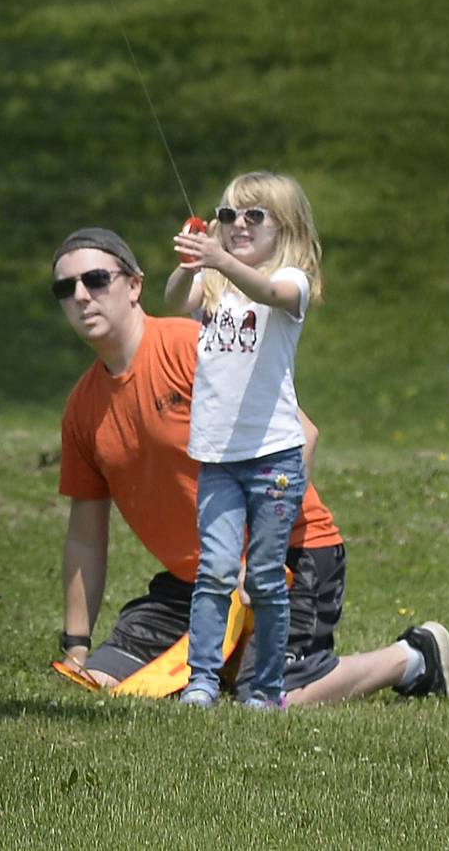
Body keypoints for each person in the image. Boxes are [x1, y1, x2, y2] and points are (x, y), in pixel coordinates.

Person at [52, 224, 449, 705]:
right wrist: (76, 645)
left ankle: (413, 657)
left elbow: (302, 432)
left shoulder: (189, 347)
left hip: (291, 554)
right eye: (65, 288)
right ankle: (225, 657)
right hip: (197, 581)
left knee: (270, 699)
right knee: (102, 682)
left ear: (134, 285)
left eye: (96, 279)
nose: (81, 295)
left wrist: (261, 554)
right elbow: (85, 534)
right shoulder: (82, 409)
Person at [165, 172, 320, 710]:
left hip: (273, 456)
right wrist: (193, 261)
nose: (237, 226)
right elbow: (172, 300)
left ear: (287, 227)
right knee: (214, 570)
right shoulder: (215, 282)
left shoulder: (291, 280)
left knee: (266, 580)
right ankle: (202, 680)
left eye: (255, 216)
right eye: (228, 216)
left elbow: (268, 290)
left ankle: (266, 687)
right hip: (216, 456)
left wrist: (219, 258)